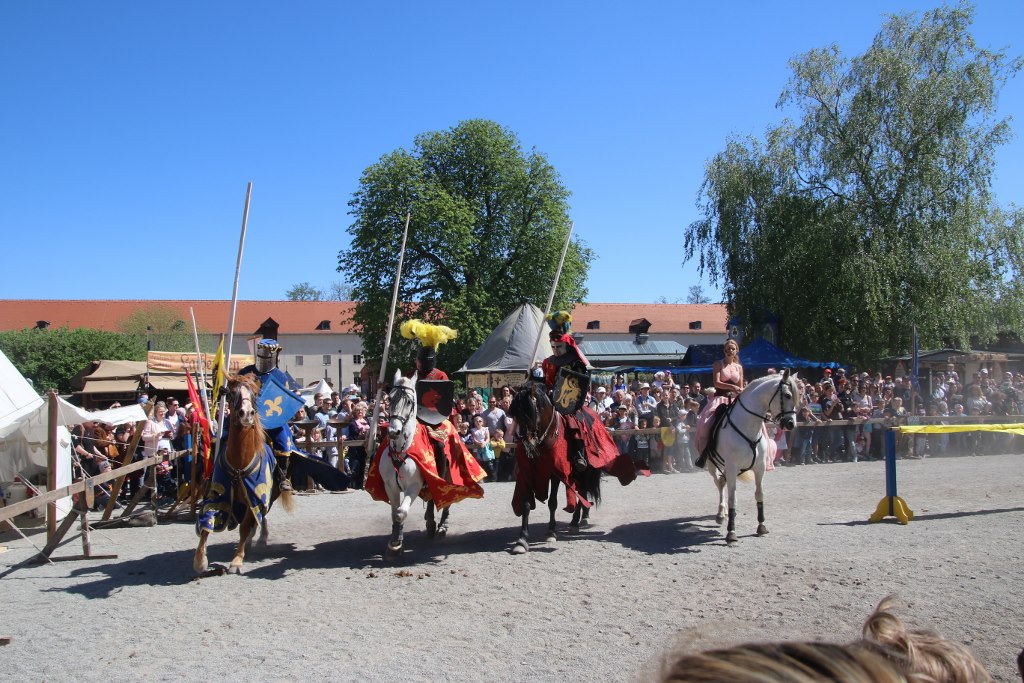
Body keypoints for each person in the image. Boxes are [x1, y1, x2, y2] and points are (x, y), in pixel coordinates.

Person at [238, 339, 348, 493]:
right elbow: (235, 388)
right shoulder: (245, 372)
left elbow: (283, 402)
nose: (265, 357)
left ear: (274, 356)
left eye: (269, 354)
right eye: (263, 353)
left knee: (283, 439)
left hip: (270, 420)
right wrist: (226, 390)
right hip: (245, 418)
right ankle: (213, 474)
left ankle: (283, 476)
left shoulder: (280, 377)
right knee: (221, 437)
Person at [693, 339, 745, 468]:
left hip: (735, 399)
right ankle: (705, 453)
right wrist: (732, 387)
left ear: (736, 351)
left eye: (732, 349)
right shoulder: (718, 364)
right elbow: (717, 383)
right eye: (727, 349)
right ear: (724, 351)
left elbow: (740, 386)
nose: (730, 351)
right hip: (721, 398)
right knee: (707, 424)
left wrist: (740, 391)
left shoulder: (739, 367)